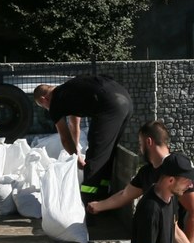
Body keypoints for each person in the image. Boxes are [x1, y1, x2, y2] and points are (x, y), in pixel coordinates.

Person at [87, 120, 194, 243]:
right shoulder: (146, 172)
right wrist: (98, 206)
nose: (140, 149)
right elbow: (125, 195)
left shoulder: (177, 167)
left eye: (140, 143)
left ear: (148, 142)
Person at [32, 75, 133, 204]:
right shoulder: (69, 90)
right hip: (126, 101)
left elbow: (65, 138)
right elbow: (74, 125)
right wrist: (78, 152)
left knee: (94, 157)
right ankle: (102, 198)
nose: (47, 109)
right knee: (107, 153)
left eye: (43, 106)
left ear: (43, 99)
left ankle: (88, 205)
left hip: (109, 105)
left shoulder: (55, 102)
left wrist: (76, 158)